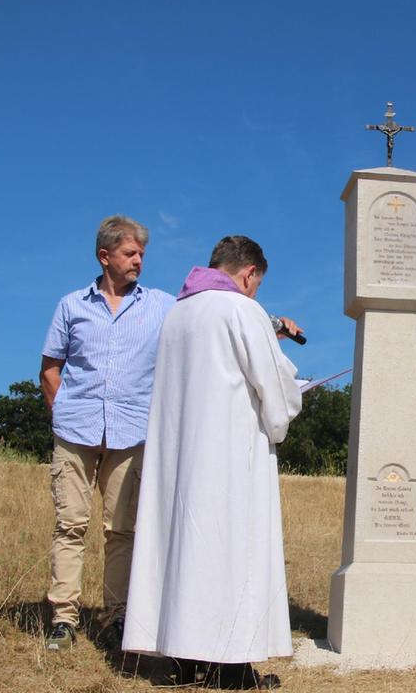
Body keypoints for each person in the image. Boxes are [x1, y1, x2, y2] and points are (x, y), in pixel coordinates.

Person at [123, 235, 303, 690]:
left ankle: (182, 659)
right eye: (256, 284)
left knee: (186, 549)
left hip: (181, 455)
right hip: (229, 453)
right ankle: (233, 669)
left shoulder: (178, 314)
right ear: (248, 274)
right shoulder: (242, 311)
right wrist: (293, 397)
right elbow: (274, 387)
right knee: (230, 551)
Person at [39, 215, 177, 653]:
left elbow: (209, 317)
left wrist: (269, 325)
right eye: (130, 253)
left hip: (131, 434)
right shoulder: (71, 305)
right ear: (104, 256)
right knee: (70, 526)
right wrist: (63, 414)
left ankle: (116, 618)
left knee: (122, 530)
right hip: (75, 433)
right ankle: (63, 618)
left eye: (141, 254)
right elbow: (49, 368)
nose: (139, 261)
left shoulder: (161, 305)